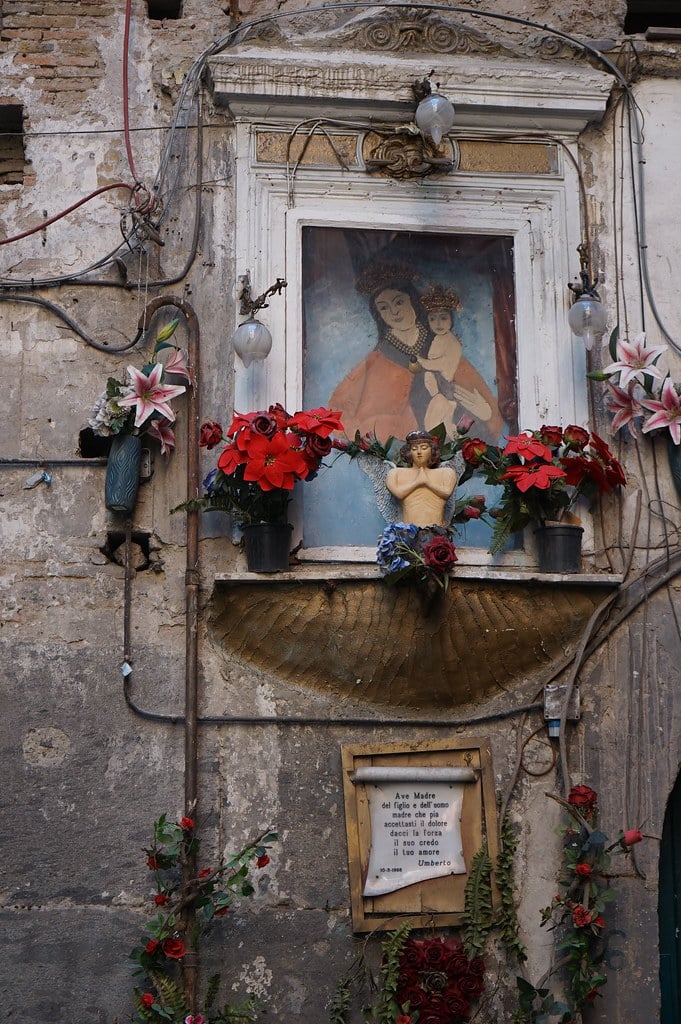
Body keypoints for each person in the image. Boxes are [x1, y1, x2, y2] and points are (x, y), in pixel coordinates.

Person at [329, 262, 431, 441]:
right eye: (384, 307)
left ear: (413, 301)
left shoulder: (439, 347)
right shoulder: (378, 359)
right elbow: (338, 410)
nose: (394, 312)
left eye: (399, 302)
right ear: (379, 315)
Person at [417, 284, 504, 441]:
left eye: (443, 317)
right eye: (432, 319)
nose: (438, 323)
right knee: (436, 420)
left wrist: (423, 363)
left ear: (451, 320)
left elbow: (443, 364)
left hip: (449, 389)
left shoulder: (452, 343)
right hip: (439, 388)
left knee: (442, 416)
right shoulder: (435, 340)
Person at [385, 431, 457, 527]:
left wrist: (427, 483)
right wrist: (417, 482)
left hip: (437, 532)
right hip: (408, 532)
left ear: (432, 450)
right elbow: (399, 494)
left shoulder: (446, 473)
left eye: (424, 448)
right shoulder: (396, 473)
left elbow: (447, 493)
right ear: (408, 452)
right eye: (414, 449)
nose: (419, 452)